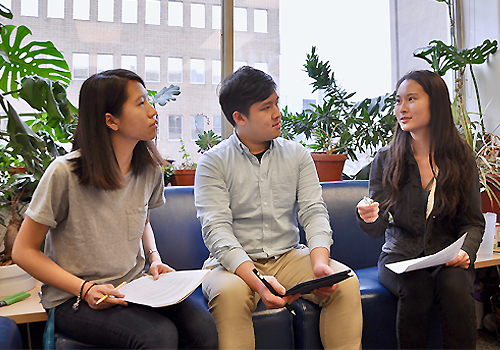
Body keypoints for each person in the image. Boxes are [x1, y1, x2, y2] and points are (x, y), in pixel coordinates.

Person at [12, 69, 218, 349]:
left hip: (131, 287)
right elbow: (23, 251)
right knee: (156, 336)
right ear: (111, 120)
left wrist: (154, 258)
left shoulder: (149, 170)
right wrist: (85, 289)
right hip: (72, 297)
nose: (152, 111)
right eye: (141, 103)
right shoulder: (64, 173)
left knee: (203, 326)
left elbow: (141, 218)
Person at [194, 66, 362, 350]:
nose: (277, 113)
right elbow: (217, 231)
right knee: (231, 294)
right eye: (266, 107)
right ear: (239, 117)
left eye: (276, 104)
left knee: (344, 283)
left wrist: (320, 263)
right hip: (232, 266)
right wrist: (258, 281)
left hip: (288, 256)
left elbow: (313, 211)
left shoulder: (297, 155)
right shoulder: (213, 162)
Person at [357, 70, 485, 349]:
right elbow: (377, 227)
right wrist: (367, 216)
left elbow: (473, 222)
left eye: (411, 99)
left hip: (445, 256)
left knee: (456, 286)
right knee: (416, 287)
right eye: (398, 100)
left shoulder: (461, 157)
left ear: (435, 102)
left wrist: (466, 252)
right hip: (399, 257)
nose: (401, 108)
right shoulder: (386, 159)